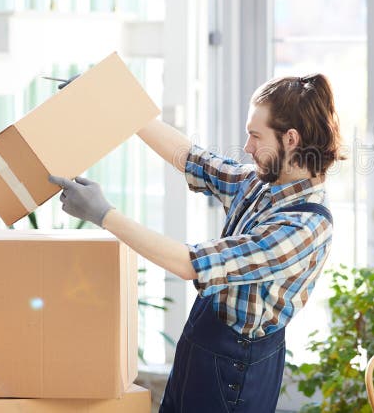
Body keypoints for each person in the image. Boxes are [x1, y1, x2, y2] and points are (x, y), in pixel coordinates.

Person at [49, 73, 343, 413]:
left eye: (255, 136)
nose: (247, 148)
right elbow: (192, 158)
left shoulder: (302, 228)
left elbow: (190, 263)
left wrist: (104, 215)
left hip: (235, 377)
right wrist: (119, 106)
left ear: (291, 139)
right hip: (201, 351)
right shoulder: (264, 185)